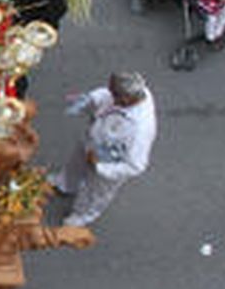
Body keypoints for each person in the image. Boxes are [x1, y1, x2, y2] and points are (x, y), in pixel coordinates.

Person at [52, 71, 157, 228]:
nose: (110, 96)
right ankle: (65, 184)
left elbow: (136, 166)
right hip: (95, 138)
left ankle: (82, 215)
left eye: (113, 95)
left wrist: (100, 166)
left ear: (126, 99)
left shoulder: (140, 129)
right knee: (76, 163)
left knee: (95, 192)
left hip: (110, 162)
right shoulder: (131, 91)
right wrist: (90, 99)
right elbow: (105, 95)